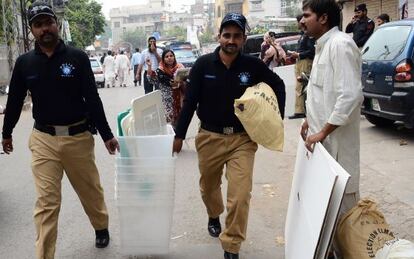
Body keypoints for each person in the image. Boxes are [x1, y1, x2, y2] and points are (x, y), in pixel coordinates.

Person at [1, 1, 120, 258]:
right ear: (32, 29)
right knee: (46, 203)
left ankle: (101, 225)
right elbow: (14, 102)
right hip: (43, 139)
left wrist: (107, 135)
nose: (45, 29)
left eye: (48, 22)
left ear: (56, 23)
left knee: (90, 190)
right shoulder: (24, 64)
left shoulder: (76, 58)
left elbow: (92, 98)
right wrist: (6, 132)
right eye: (38, 25)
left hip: (78, 137)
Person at [172, 12, 286, 259]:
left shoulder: (253, 66)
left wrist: (276, 119)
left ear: (244, 39)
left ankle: (232, 244)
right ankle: (214, 213)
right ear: (219, 37)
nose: (231, 40)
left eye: (237, 36)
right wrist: (179, 135)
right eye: (227, 35)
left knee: (240, 194)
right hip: (209, 137)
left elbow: (278, 85)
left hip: (242, 140)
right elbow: (190, 102)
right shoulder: (203, 65)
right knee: (208, 187)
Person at [300, 0, 363, 257]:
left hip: (338, 151)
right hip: (323, 149)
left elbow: (349, 96)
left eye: (306, 15)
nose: (302, 21)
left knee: (346, 222)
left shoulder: (340, 45)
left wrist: (323, 131)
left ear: (323, 18)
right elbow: (322, 93)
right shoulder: (322, 46)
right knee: (327, 220)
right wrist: (308, 120)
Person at [146, 49, 186, 128]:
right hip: (166, 102)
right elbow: (151, 80)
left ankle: (177, 138)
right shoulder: (160, 71)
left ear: (174, 57)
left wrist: (180, 82)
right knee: (168, 125)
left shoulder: (180, 68)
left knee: (178, 124)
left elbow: (187, 81)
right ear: (163, 59)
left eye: (171, 56)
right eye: (166, 56)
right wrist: (149, 66)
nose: (169, 58)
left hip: (178, 100)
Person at [288, 14, 316, 119]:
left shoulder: (309, 34)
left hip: (305, 62)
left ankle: (302, 111)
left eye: (298, 21)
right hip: (300, 62)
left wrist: (299, 54)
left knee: (303, 87)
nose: (297, 24)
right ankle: (300, 110)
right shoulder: (303, 34)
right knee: (299, 87)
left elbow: (312, 51)